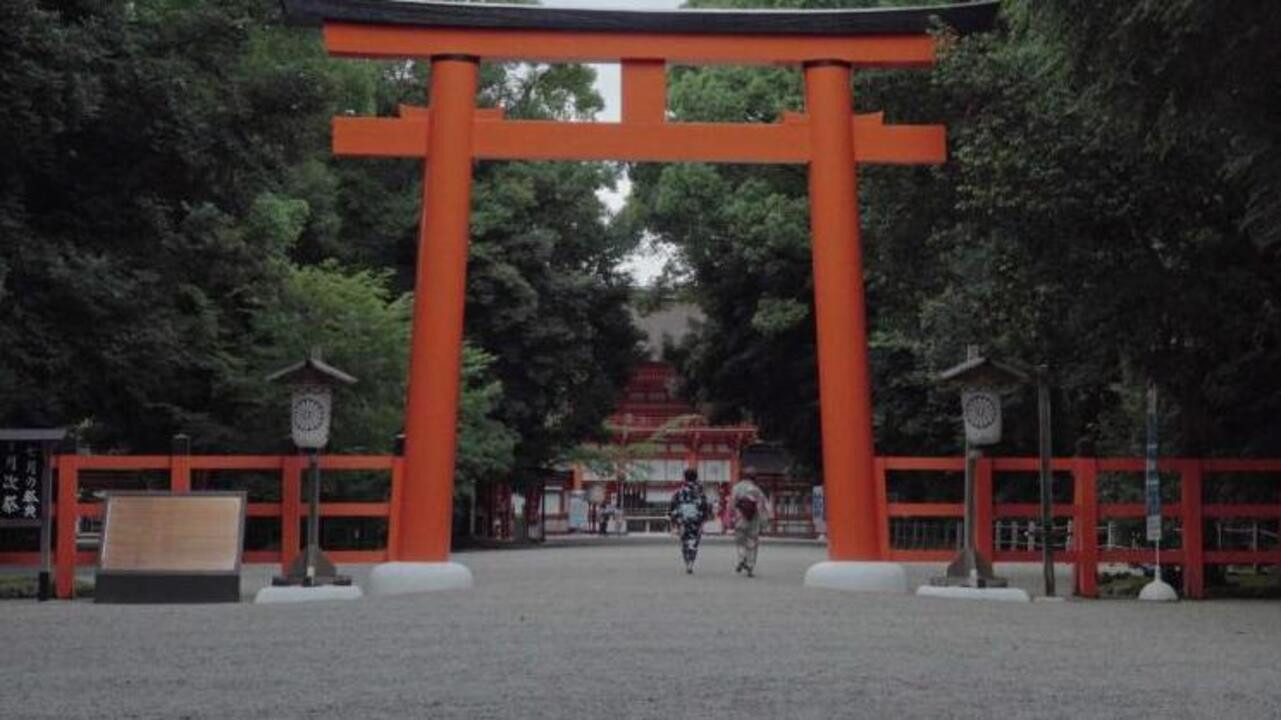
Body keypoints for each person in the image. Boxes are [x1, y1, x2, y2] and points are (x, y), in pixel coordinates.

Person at [730, 469, 773, 577]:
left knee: (740, 541)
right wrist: (766, 520)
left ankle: (742, 558)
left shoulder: (736, 488)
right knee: (752, 542)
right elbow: (763, 505)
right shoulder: (756, 489)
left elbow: (732, 504)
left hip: (740, 517)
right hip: (753, 519)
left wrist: (733, 516)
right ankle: (750, 565)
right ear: (754, 478)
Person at [668, 468, 711, 574]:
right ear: (696, 477)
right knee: (694, 542)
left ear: (684, 477)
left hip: (683, 519)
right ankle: (691, 562)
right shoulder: (700, 492)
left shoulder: (679, 492)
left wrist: (674, 520)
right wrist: (704, 519)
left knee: (685, 541)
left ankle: (687, 561)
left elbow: (673, 506)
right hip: (696, 519)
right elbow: (705, 507)